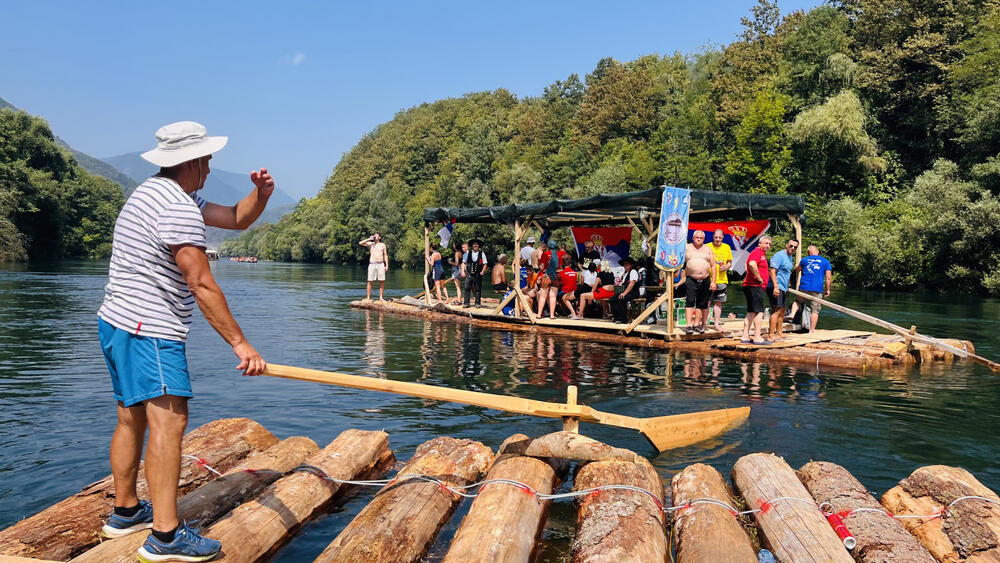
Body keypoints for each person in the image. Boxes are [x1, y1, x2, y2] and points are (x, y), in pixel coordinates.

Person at [97, 121, 270, 561]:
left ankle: (125, 512)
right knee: (169, 425)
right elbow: (201, 283)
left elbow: (234, 218)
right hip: (150, 330)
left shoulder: (158, 194)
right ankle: (167, 537)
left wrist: (262, 196)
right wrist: (241, 343)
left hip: (116, 322)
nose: (210, 167)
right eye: (207, 159)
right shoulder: (175, 206)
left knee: (130, 418)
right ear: (191, 161)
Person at [684, 230, 717, 334]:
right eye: (697, 237)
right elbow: (678, 259)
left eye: (701, 238)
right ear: (693, 238)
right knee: (690, 301)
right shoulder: (687, 247)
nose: (698, 239)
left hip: (705, 279)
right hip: (691, 278)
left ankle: (697, 324)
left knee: (702, 303)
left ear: (703, 239)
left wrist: (713, 281)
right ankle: (689, 325)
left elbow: (713, 265)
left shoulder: (708, 249)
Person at [741, 236, 772, 345]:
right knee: (759, 311)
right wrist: (758, 277)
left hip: (751, 285)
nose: (768, 246)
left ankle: (745, 335)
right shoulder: (757, 252)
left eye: (769, 244)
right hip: (754, 285)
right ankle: (757, 337)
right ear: (760, 243)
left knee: (751, 311)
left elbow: (747, 264)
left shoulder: (759, 253)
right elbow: (751, 264)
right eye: (766, 243)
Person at [795, 245, 832, 333]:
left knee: (797, 301)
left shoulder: (804, 260)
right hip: (817, 288)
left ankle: (792, 314)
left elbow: (797, 269)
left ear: (809, 252)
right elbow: (828, 277)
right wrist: (828, 289)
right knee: (815, 310)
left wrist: (797, 265)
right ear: (817, 252)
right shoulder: (825, 261)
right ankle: (812, 330)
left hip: (804, 286)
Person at [768, 238, 798, 340]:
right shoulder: (779, 255)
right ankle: (771, 334)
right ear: (786, 245)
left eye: (795, 247)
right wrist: (776, 287)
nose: (793, 248)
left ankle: (779, 333)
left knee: (782, 310)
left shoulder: (790, 257)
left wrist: (785, 287)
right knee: (776, 310)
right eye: (791, 246)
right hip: (775, 286)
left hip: (784, 287)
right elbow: (772, 271)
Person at [710, 229, 733, 331]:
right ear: (713, 237)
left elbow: (729, 262)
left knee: (718, 302)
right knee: (705, 302)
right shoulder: (707, 246)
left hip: (722, 279)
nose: (718, 239)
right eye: (716, 237)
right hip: (708, 279)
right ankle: (703, 323)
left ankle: (716, 324)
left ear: (723, 238)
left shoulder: (726, 247)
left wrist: (727, 267)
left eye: (720, 237)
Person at [610, 257, 641, 324]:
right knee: (613, 299)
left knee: (622, 298)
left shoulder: (633, 271)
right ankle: (617, 318)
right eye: (625, 264)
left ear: (631, 265)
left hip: (633, 292)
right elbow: (624, 283)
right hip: (628, 292)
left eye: (627, 264)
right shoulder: (626, 273)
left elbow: (632, 283)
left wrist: (624, 293)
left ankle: (623, 319)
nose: (626, 266)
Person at [361, 233, 388, 301]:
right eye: (374, 235)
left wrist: (386, 265)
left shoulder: (382, 245)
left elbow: (385, 255)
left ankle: (381, 298)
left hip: (381, 264)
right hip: (372, 264)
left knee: (382, 281)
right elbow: (360, 243)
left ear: (379, 237)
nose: (375, 236)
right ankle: (368, 297)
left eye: (377, 235)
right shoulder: (371, 244)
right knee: (370, 281)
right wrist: (369, 239)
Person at [461, 239, 488, 307]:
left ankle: (477, 303)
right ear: (472, 246)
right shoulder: (467, 253)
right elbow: (463, 263)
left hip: (478, 274)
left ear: (478, 246)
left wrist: (483, 271)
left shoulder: (482, 254)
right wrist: (462, 271)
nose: (475, 245)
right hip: (469, 273)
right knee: (467, 288)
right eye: (474, 244)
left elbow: (485, 264)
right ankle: (466, 303)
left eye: (477, 244)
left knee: (478, 289)